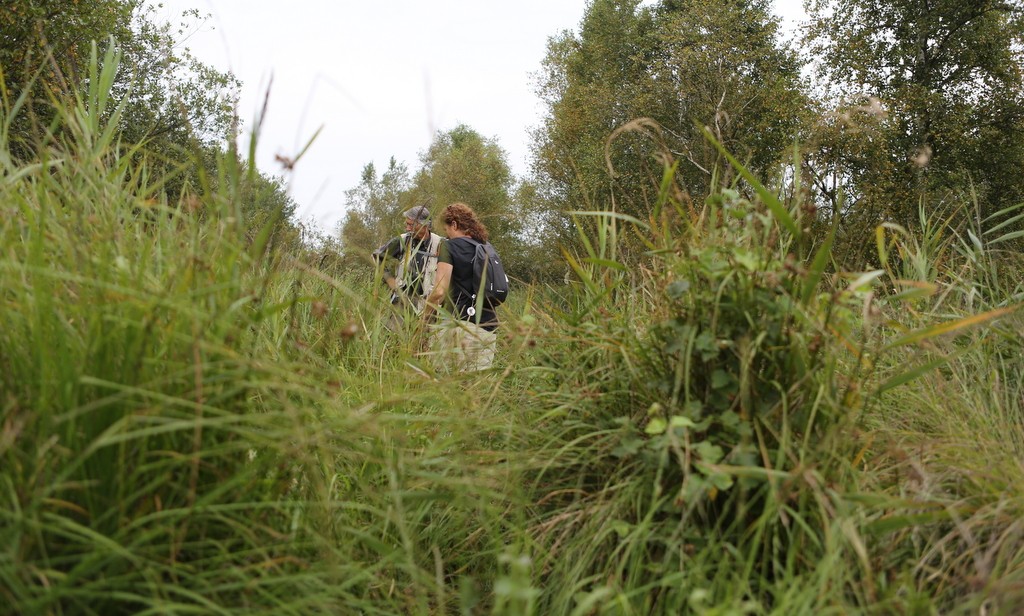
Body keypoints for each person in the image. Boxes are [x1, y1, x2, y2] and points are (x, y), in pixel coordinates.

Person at [421, 202, 499, 372]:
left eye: (447, 229)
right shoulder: (487, 248)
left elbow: (439, 291)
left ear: (454, 224)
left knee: (447, 387)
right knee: (476, 391)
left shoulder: (449, 246)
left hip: (457, 327)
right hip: (487, 328)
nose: (447, 235)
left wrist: (424, 319)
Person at [371, 205, 443, 318]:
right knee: (394, 335)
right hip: (401, 303)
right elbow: (376, 257)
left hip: (429, 306)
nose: (407, 228)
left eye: (411, 225)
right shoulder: (402, 240)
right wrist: (389, 280)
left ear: (426, 225)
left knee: (426, 335)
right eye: (407, 224)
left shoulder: (441, 244)